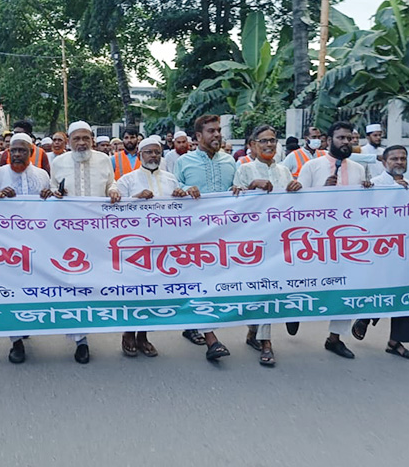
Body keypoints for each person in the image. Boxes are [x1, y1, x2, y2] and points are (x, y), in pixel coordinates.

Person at [43, 121, 121, 364]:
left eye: (85, 138)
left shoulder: (104, 160)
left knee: (97, 281)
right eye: (76, 138)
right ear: (68, 141)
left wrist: (113, 191)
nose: (81, 143)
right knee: (74, 283)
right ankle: (81, 339)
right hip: (69, 234)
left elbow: (111, 183)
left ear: (92, 140)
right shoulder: (58, 162)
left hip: (99, 233)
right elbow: (53, 189)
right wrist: (55, 194)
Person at [295, 121, 372, 359]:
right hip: (315, 239)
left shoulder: (358, 169)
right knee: (304, 282)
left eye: (349, 138)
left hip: (346, 240)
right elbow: (297, 202)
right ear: (329, 141)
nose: (346, 142)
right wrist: (321, 189)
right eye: (341, 138)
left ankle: (335, 338)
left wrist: (368, 190)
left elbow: (365, 204)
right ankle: (293, 313)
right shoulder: (312, 166)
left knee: (347, 287)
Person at [231, 125, 302, 367]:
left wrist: (296, 189)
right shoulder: (244, 170)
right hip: (254, 240)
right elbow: (234, 203)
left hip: (281, 240)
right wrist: (252, 187)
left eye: (272, 140)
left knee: (270, 288)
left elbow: (295, 204)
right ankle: (262, 338)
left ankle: (261, 337)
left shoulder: (284, 171)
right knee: (260, 288)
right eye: (263, 141)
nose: (269, 145)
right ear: (252, 145)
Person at [115, 137, 188, 357]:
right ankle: (128, 333)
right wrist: (135, 198)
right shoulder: (127, 180)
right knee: (133, 291)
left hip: (163, 247)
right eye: (149, 152)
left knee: (153, 291)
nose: (154, 156)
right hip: (134, 247)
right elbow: (114, 211)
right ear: (140, 155)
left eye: (157, 152)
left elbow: (181, 210)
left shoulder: (171, 179)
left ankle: (143, 335)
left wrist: (181, 195)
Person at [174, 114, 237, 360]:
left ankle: (195, 325)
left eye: (218, 130)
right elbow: (172, 189)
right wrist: (183, 190)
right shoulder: (184, 162)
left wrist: (239, 190)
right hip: (194, 235)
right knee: (199, 282)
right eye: (211, 131)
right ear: (198, 136)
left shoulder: (230, 161)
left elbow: (238, 191)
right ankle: (211, 339)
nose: (217, 135)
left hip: (225, 236)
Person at [350, 145, 409, 361]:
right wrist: (367, 191)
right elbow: (362, 213)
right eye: (394, 159)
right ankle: (366, 316)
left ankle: (396, 342)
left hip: (404, 248)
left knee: (403, 292)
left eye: (403, 158)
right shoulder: (374, 185)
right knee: (381, 287)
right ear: (384, 162)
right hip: (379, 248)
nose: (399, 162)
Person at [0, 133, 51, 363]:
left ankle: (28, 322)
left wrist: (48, 196)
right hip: (7, 244)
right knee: (11, 290)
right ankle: (16, 341)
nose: (16, 154)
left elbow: (50, 206)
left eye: (21, 150)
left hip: (37, 242)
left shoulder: (42, 175)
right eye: (12, 150)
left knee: (34, 288)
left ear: (31, 152)